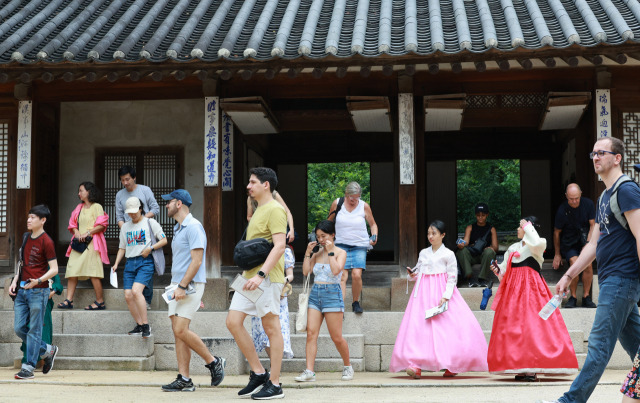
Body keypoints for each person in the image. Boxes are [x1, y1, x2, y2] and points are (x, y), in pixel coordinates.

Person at [538, 137, 640, 403]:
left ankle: (569, 401)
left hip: (621, 279)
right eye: (592, 153)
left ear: (617, 158)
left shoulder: (626, 190)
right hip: (609, 280)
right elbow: (593, 244)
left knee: (598, 347)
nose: (595, 157)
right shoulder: (604, 197)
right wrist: (569, 275)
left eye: (601, 153)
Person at [389, 220, 488, 378]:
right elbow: (419, 271)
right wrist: (413, 275)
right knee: (418, 327)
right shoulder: (423, 253)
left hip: (441, 293)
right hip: (422, 294)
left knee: (449, 329)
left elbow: (452, 277)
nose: (430, 236)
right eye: (429, 233)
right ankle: (415, 365)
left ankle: (454, 364)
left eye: (433, 233)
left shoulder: (448, 254)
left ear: (443, 235)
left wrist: (446, 296)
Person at [488, 217, 578, 382]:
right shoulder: (513, 247)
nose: (518, 229)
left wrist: (528, 226)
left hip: (532, 289)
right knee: (513, 327)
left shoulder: (538, 244)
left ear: (530, 228)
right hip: (513, 291)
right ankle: (519, 366)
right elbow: (504, 271)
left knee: (532, 326)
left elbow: (535, 242)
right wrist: (497, 269)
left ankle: (531, 368)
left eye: (521, 226)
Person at [226, 167, 286, 400]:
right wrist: (247, 276)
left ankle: (276, 383)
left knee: (272, 328)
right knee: (232, 321)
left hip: (266, 278)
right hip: (249, 277)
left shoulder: (275, 210)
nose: (248, 186)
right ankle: (259, 372)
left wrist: (261, 274)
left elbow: (280, 246)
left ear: (266, 185)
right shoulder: (258, 209)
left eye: (252, 182)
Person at [159, 189, 225, 392]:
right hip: (178, 286)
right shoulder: (179, 228)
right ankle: (184, 379)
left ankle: (213, 361)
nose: (166, 205)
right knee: (178, 332)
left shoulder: (194, 227)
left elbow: (197, 262)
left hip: (187, 285)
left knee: (180, 330)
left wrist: (182, 286)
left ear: (179, 204)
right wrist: (176, 286)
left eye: (169, 202)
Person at [296, 220, 353, 383]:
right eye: (318, 236)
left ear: (332, 235)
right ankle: (309, 371)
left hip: (332, 294)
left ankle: (348, 366)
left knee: (336, 337)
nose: (321, 239)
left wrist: (329, 252)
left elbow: (336, 271)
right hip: (315, 294)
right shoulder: (316, 254)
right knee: (311, 334)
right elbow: (306, 272)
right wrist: (308, 253)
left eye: (324, 236)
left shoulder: (341, 252)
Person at [9, 205, 59, 379]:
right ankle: (48, 350)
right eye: (28, 217)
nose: (28, 220)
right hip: (22, 290)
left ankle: (28, 367)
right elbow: (21, 262)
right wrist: (15, 280)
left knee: (34, 330)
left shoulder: (47, 241)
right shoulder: (25, 237)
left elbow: (54, 269)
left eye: (33, 217)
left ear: (42, 220)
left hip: (39, 291)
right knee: (19, 328)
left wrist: (38, 281)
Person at [111, 197, 167, 338]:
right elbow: (122, 248)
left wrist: (150, 249)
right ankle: (139, 324)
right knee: (128, 295)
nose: (132, 214)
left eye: (135, 211)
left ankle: (146, 325)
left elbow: (164, 240)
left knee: (136, 291)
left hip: (145, 261)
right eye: (130, 212)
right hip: (130, 263)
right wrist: (116, 263)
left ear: (141, 208)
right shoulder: (125, 227)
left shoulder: (150, 222)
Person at [327, 181, 378, 314]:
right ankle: (340, 305)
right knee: (342, 275)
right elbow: (329, 222)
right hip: (341, 244)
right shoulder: (337, 203)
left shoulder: (364, 206)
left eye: (357, 198)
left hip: (360, 245)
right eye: (351, 198)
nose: (354, 201)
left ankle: (355, 302)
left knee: (356, 275)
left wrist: (374, 235)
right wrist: (326, 239)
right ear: (346, 194)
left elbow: (373, 224)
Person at [59, 182, 110, 310]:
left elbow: (102, 224)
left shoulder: (97, 206)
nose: (79, 193)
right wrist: (77, 233)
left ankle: (100, 301)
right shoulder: (79, 207)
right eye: (79, 191)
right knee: (72, 269)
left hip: (93, 242)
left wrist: (87, 233)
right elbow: (72, 224)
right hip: (79, 243)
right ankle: (68, 300)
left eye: (81, 190)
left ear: (89, 191)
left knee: (93, 271)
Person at [116, 165, 160, 309]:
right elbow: (119, 216)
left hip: (144, 231)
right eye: (122, 180)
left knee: (146, 263)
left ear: (134, 177)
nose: (125, 183)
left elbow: (155, 208)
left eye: (128, 179)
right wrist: (126, 229)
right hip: (129, 234)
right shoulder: (119, 195)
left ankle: (147, 299)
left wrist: (140, 220)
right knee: (131, 264)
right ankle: (135, 297)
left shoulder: (145, 190)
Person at [552, 183, 596, 308]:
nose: (575, 201)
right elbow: (556, 232)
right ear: (566, 196)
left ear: (580, 194)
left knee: (588, 264)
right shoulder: (562, 209)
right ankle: (573, 297)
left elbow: (593, 225)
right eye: (571, 199)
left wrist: (588, 244)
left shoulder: (588, 204)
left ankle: (586, 296)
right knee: (574, 262)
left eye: (577, 198)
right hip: (569, 243)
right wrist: (557, 254)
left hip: (585, 240)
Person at [251, 243, 294, 360]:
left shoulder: (285, 251)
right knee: (262, 330)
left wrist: (281, 282)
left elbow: (290, 275)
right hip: (260, 291)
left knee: (277, 328)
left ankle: (275, 365)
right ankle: (272, 362)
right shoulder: (258, 247)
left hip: (278, 292)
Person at [20, 274, 63, 366]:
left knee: (44, 329)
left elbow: (58, 285)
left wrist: (53, 291)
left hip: (45, 303)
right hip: (29, 300)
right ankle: (29, 360)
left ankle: (45, 358)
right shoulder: (29, 267)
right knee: (28, 328)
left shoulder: (50, 268)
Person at [455, 203, 498, 287]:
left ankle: (482, 278)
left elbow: (496, 248)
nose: (480, 217)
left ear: (487, 215)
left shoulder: (491, 229)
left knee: (490, 252)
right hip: (472, 255)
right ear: (475, 215)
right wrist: (461, 245)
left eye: (483, 215)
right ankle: (469, 277)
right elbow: (466, 242)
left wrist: (490, 248)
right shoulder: (470, 227)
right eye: (478, 215)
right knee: (461, 251)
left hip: (484, 256)